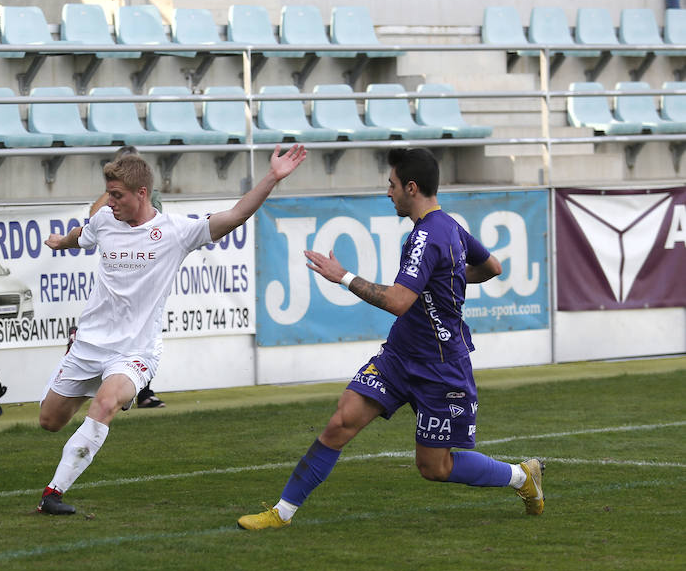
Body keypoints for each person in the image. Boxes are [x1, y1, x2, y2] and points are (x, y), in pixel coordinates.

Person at [237, 147, 545, 531]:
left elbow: (400, 301)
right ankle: (281, 513)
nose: (388, 192)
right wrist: (447, 279)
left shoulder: (425, 237)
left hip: (440, 366)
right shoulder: (450, 226)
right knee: (340, 422)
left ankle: (521, 477)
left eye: (392, 184)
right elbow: (492, 267)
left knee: (435, 467)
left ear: (411, 188)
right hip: (400, 356)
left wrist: (344, 277)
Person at [37, 144, 306, 515]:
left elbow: (237, 214)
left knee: (105, 402)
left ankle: (53, 492)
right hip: (88, 344)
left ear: (142, 193)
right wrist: (59, 241)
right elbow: (80, 234)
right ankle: (86, 375)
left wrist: (272, 177)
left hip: (135, 350)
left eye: (117, 195)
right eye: (109, 195)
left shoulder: (176, 231)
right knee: (49, 421)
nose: (110, 202)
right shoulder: (104, 221)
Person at [87, 146, 166, 409]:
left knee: (141, 335)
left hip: (141, 278)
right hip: (115, 275)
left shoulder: (150, 197)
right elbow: (92, 217)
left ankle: (141, 390)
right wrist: (113, 190)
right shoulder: (109, 203)